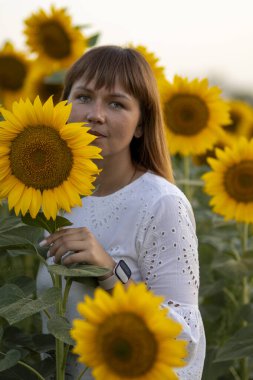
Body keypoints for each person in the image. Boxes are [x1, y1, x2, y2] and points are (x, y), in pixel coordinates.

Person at [37, 45, 206, 379]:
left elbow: (184, 338)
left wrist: (111, 273)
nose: (95, 114)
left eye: (116, 103)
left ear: (141, 125)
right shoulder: (54, 197)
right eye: (83, 97)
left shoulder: (161, 205)